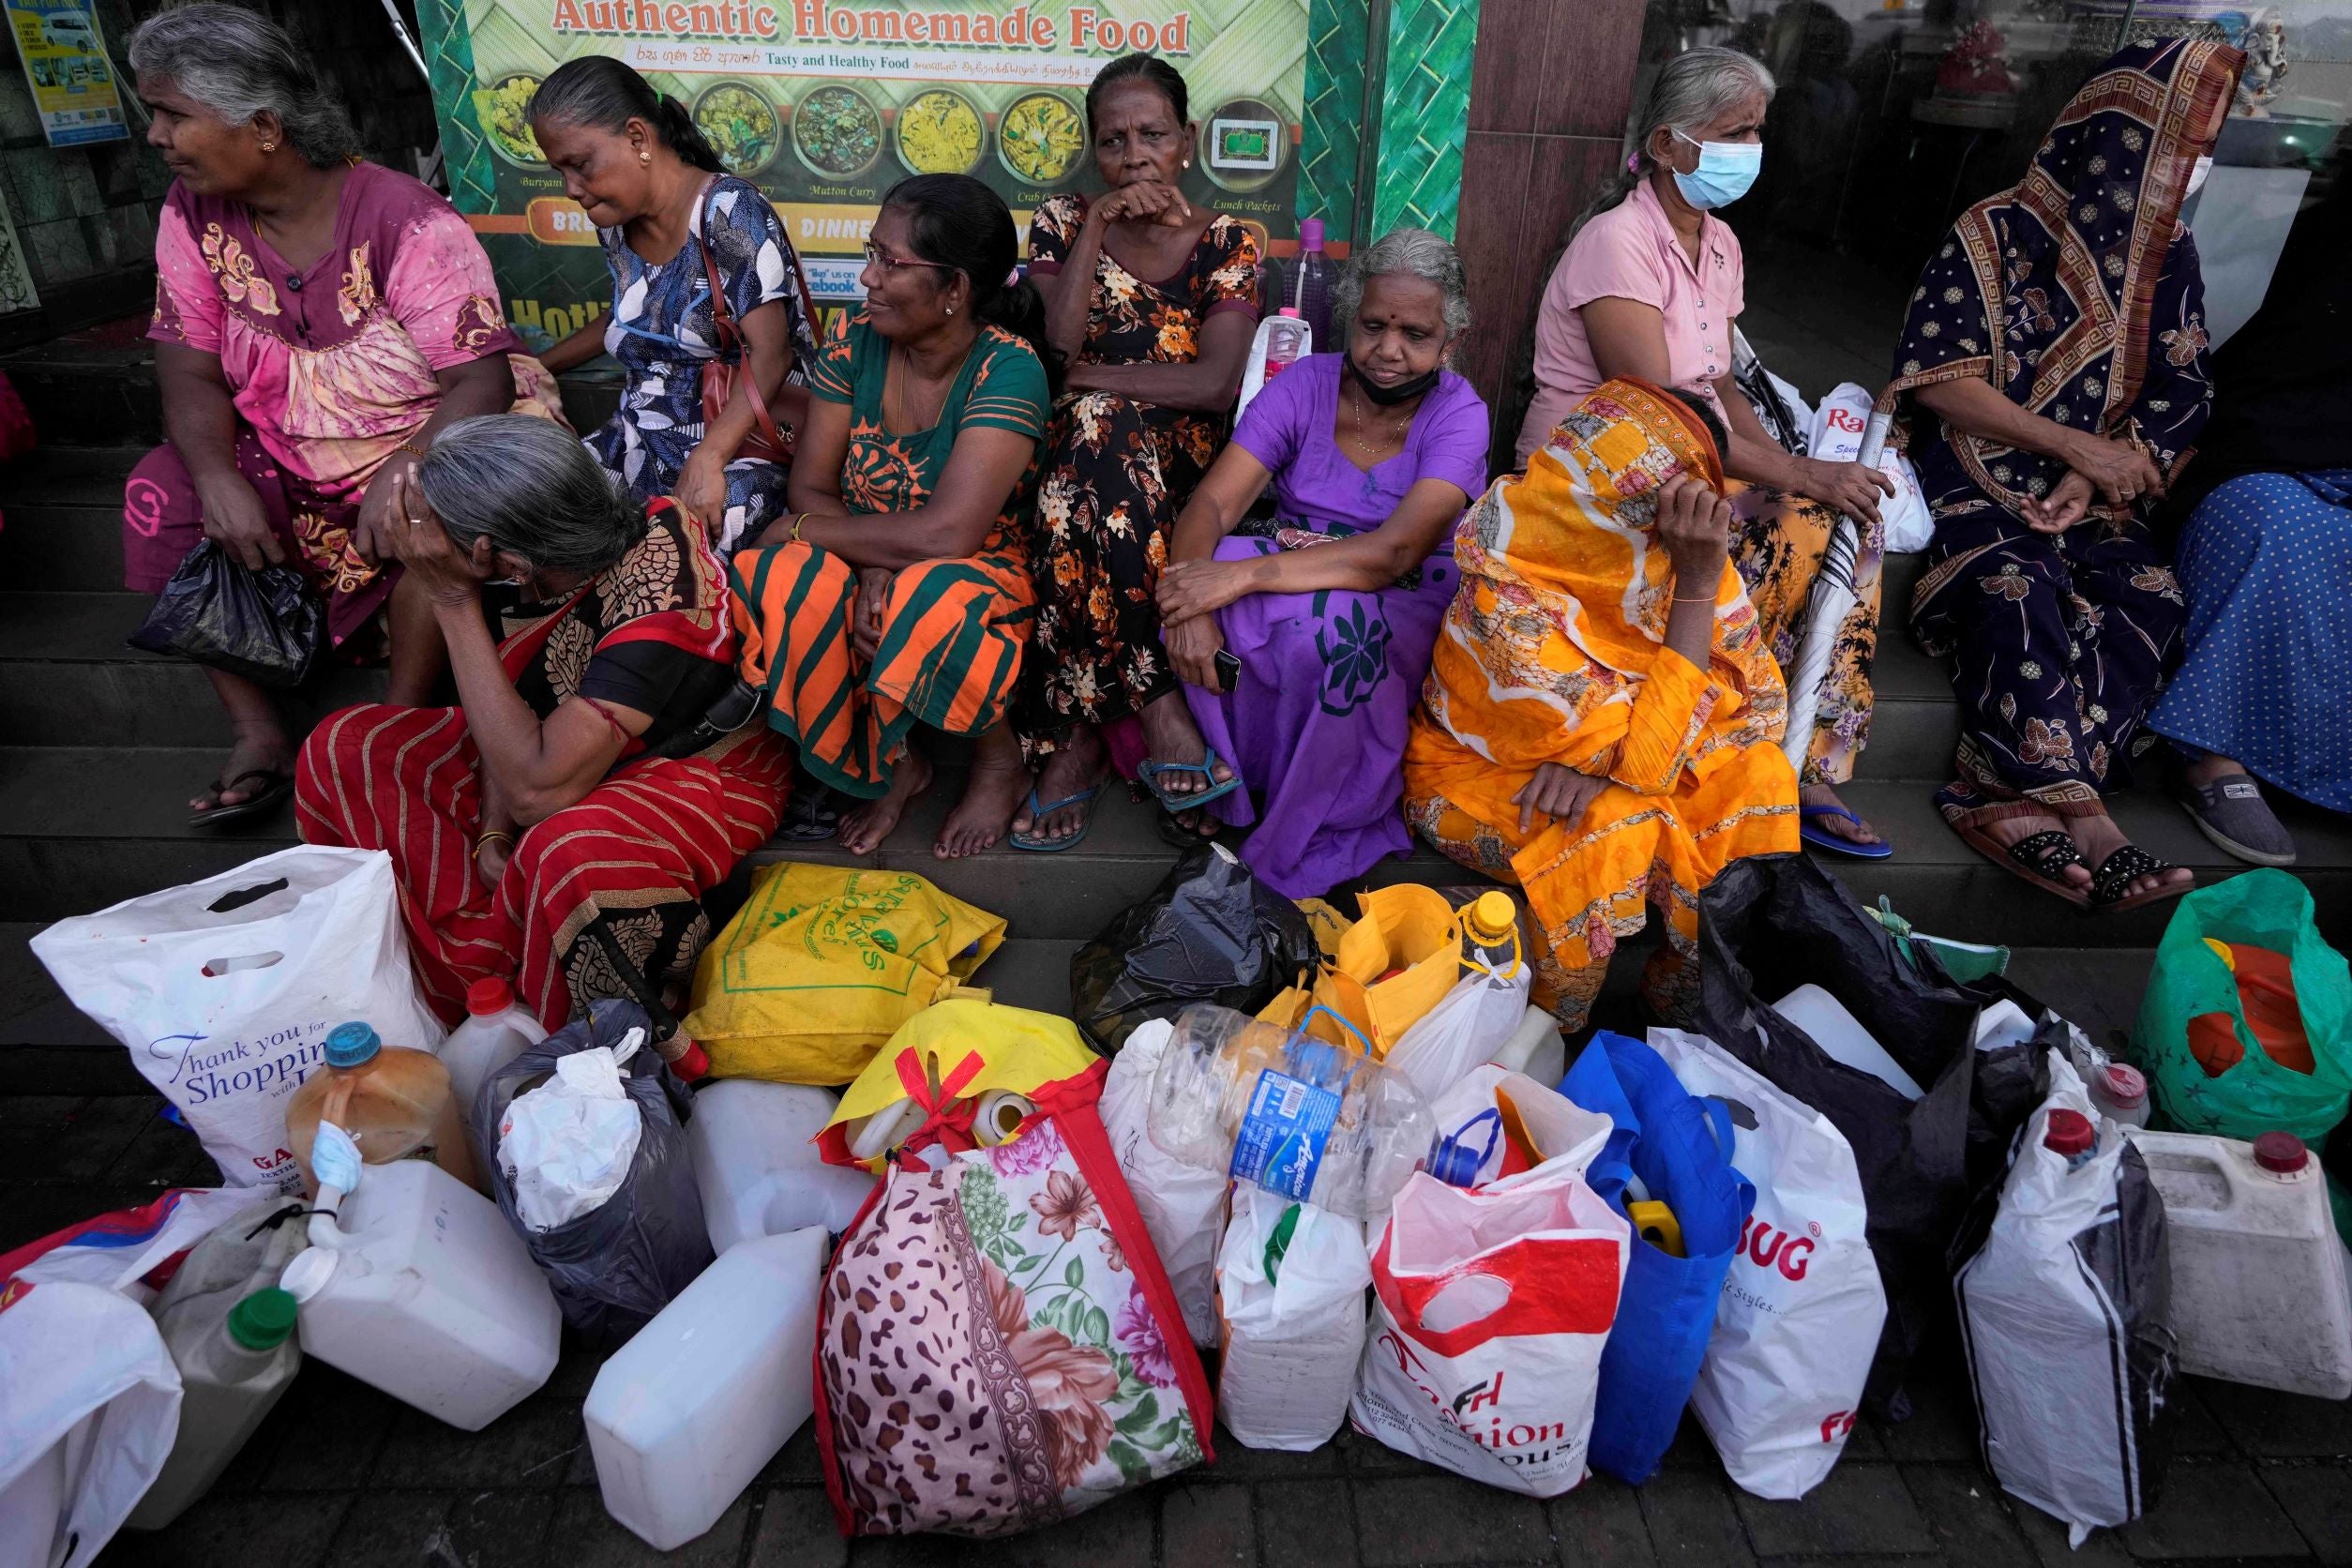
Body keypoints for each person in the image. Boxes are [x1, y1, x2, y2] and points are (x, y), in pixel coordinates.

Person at [122, 5, 564, 829]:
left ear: (262, 127)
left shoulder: (407, 222)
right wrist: (218, 476)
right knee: (164, 489)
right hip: (286, 451)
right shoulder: (191, 216)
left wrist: (410, 464)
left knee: (433, 507)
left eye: (173, 114)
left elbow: (480, 380)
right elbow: (187, 367)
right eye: (157, 113)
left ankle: (390, 727)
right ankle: (258, 732)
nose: (156, 135)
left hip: (426, 433)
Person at [295, 415, 792, 1047]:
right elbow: (524, 706)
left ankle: (586, 1036)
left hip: (697, 765)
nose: (424, 549)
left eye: (438, 539)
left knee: (566, 853)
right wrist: (493, 827)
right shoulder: (552, 559)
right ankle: (470, 978)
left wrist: (451, 601)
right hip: (556, 751)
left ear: (491, 556)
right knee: (350, 747)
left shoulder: (658, 603)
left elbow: (538, 791)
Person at [1515, 46, 1895, 858]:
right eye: (1733, 132)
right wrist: (1797, 475)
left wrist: (1806, 477)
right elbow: (1658, 416)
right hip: (1594, 481)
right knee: (1794, 525)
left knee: (1848, 521)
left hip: (1690, 467)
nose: (1750, 151)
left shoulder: (1719, 245)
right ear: (1665, 145)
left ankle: (1807, 751)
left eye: (1757, 132)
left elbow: (1719, 386)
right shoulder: (1615, 243)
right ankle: (1716, 734)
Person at [1891, 37, 2238, 912]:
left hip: (2094, 495)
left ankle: (2005, 799)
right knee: (2014, 583)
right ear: (2126, 140)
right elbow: (1941, 379)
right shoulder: (1994, 230)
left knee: (2150, 593)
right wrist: (2070, 447)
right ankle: (2090, 820)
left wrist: (2113, 470)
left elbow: (2184, 382)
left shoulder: (2170, 259)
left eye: (2201, 151)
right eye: (2181, 147)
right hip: (1978, 473)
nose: (2191, 169)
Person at [1099, 228, 1490, 892]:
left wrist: (1239, 577)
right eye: (1373, 326)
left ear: (1449, 343)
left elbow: (1395, 551)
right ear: (1350, 318)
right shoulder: (1307, 384)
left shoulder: (1460, 412)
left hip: (1402, 584)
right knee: (1209, 579)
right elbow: (1213, 506)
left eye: (1415, 336)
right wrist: (1188, 605)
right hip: (1294, 555)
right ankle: (1233, 786)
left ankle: (1311, 812)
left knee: (1330, 631)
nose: (1388, 351)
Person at [1406, 378, 1800, 1032]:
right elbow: (1648, 762)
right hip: (1481, 778)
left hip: (1605, 761)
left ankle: (1683, 1001)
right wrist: (1696, 598)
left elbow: (1754, 704)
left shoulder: (1671, 552)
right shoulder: (1507, 592)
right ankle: (1554, 1024)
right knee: (1616, 822)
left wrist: (1606, 755)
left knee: (1763, 777)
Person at [728, 174, 1052, 858]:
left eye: (890, 262)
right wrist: (867, 556)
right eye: (870, 254)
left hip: (979, 566)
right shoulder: (855, 336)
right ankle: (893, 761)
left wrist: (828, 537)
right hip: (868, 546)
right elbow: (812, 487)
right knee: (779, 574)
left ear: (955, 290)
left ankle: (999, 762)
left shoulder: (1009, 369)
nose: (868, 278)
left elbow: (950, 533)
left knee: (923, 599)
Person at [1014, 53, 1260, 838]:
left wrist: (1084, 379)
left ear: (1185, 139)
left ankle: (1076, 744)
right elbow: (1053, 340)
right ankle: (1155, 703)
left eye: (1152, 135)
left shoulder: (1227, 243)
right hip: (1069, 458)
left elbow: (1217, 385)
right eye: (1113, 141)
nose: (1134, 156)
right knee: (1089, 436)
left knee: (1095, 423)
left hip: (1178, 469)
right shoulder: (1062, 220)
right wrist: (1099, 224)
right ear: (1095, 152)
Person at [2144, 147, 2352, 864]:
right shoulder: (2317, 247)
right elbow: (2251, 394)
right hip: (2265, 460)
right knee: (2268, 518)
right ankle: (2213, 757)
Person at [528, 57, 818, 554]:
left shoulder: (727, 211)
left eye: (580, 164)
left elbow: (774, 356)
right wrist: (537, 366)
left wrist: (709, 457)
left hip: (739, 445)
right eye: (560, 171)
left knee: (691, 541)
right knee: (539, 513)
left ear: (639, 139)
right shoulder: (616, 221)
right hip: (639, 436)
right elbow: (633, 313)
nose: (571, 189)